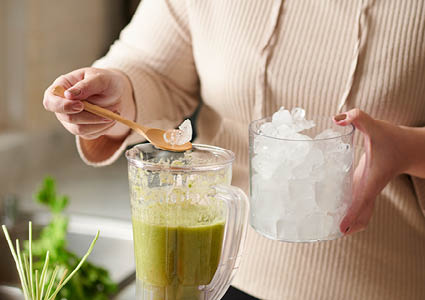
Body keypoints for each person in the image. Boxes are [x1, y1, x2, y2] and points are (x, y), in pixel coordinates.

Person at [43, 1, 425, 299]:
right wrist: (115, 96)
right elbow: (151, 66)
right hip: (220, 275)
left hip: (390, 285)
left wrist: (406, 150)